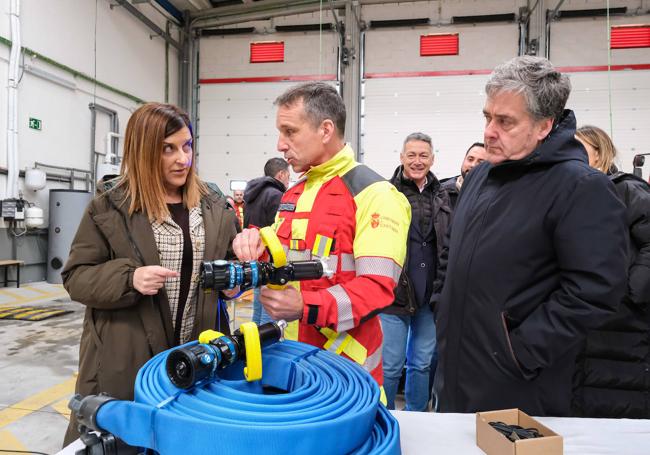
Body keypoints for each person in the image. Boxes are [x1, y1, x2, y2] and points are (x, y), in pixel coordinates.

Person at [432, 56, 628, 416]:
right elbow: (452, 256)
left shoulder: (580, 188)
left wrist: (519, 352)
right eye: (487, 117)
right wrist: (441, 309)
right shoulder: (479, 177)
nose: (489, 131)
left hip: (520, 384)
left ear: (543, 126)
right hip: (455, 370)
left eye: (505, 121)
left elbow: (595, 289)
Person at [62, 103, 238, 444]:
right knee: (123, 439)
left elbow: (226, 264)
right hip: (125, 357)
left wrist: (233, 281)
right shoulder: (111, 206)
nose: (182, 159)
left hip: (195, 354)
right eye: (168, 149)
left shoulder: (213, 206)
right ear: (143, 152)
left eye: (187, 146)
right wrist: (130, 278)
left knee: (186, 440)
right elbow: (77, 276)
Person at [232, 82, 411, 385]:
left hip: (345, 376)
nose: (280, 144)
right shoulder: (295, 192)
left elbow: (376, 288)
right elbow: (282, 255)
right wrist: (253, 241)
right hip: (291, 365)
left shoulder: (375, 195)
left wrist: (304, 307)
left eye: (290, 132)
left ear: (325, 130)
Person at [572, 125, 650, 418]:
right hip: (584, 316)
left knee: (619, 395)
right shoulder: (572, 193)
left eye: (580, 150)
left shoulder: (626, 189)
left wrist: (631, 292)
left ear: (600, 153)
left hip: (622, 320)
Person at [381, 132, 450, 411]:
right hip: (395, 294)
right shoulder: (386, 192)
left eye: (423, 155)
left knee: (421, 363)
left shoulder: (442, 194)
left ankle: (418, 416)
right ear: (401, 157)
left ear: (432, 159)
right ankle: (382, 416)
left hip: (430, 294)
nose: (417, 161)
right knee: (390, 365)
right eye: (412, 155)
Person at [244, 157, 291, 324]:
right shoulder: (276, 195)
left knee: (258, 306)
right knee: (270, 310)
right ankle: (267, 347)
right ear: (281, 174)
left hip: (256, 257)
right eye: (288, 175)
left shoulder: (252, 194)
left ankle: (255, 344)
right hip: (272, 259)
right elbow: (280, 230)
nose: (289, 180)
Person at [440, 142, 488, 209]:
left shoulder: (492, 196)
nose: (473, 165)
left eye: (480, 162)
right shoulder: (440, 192)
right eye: (470, 159)